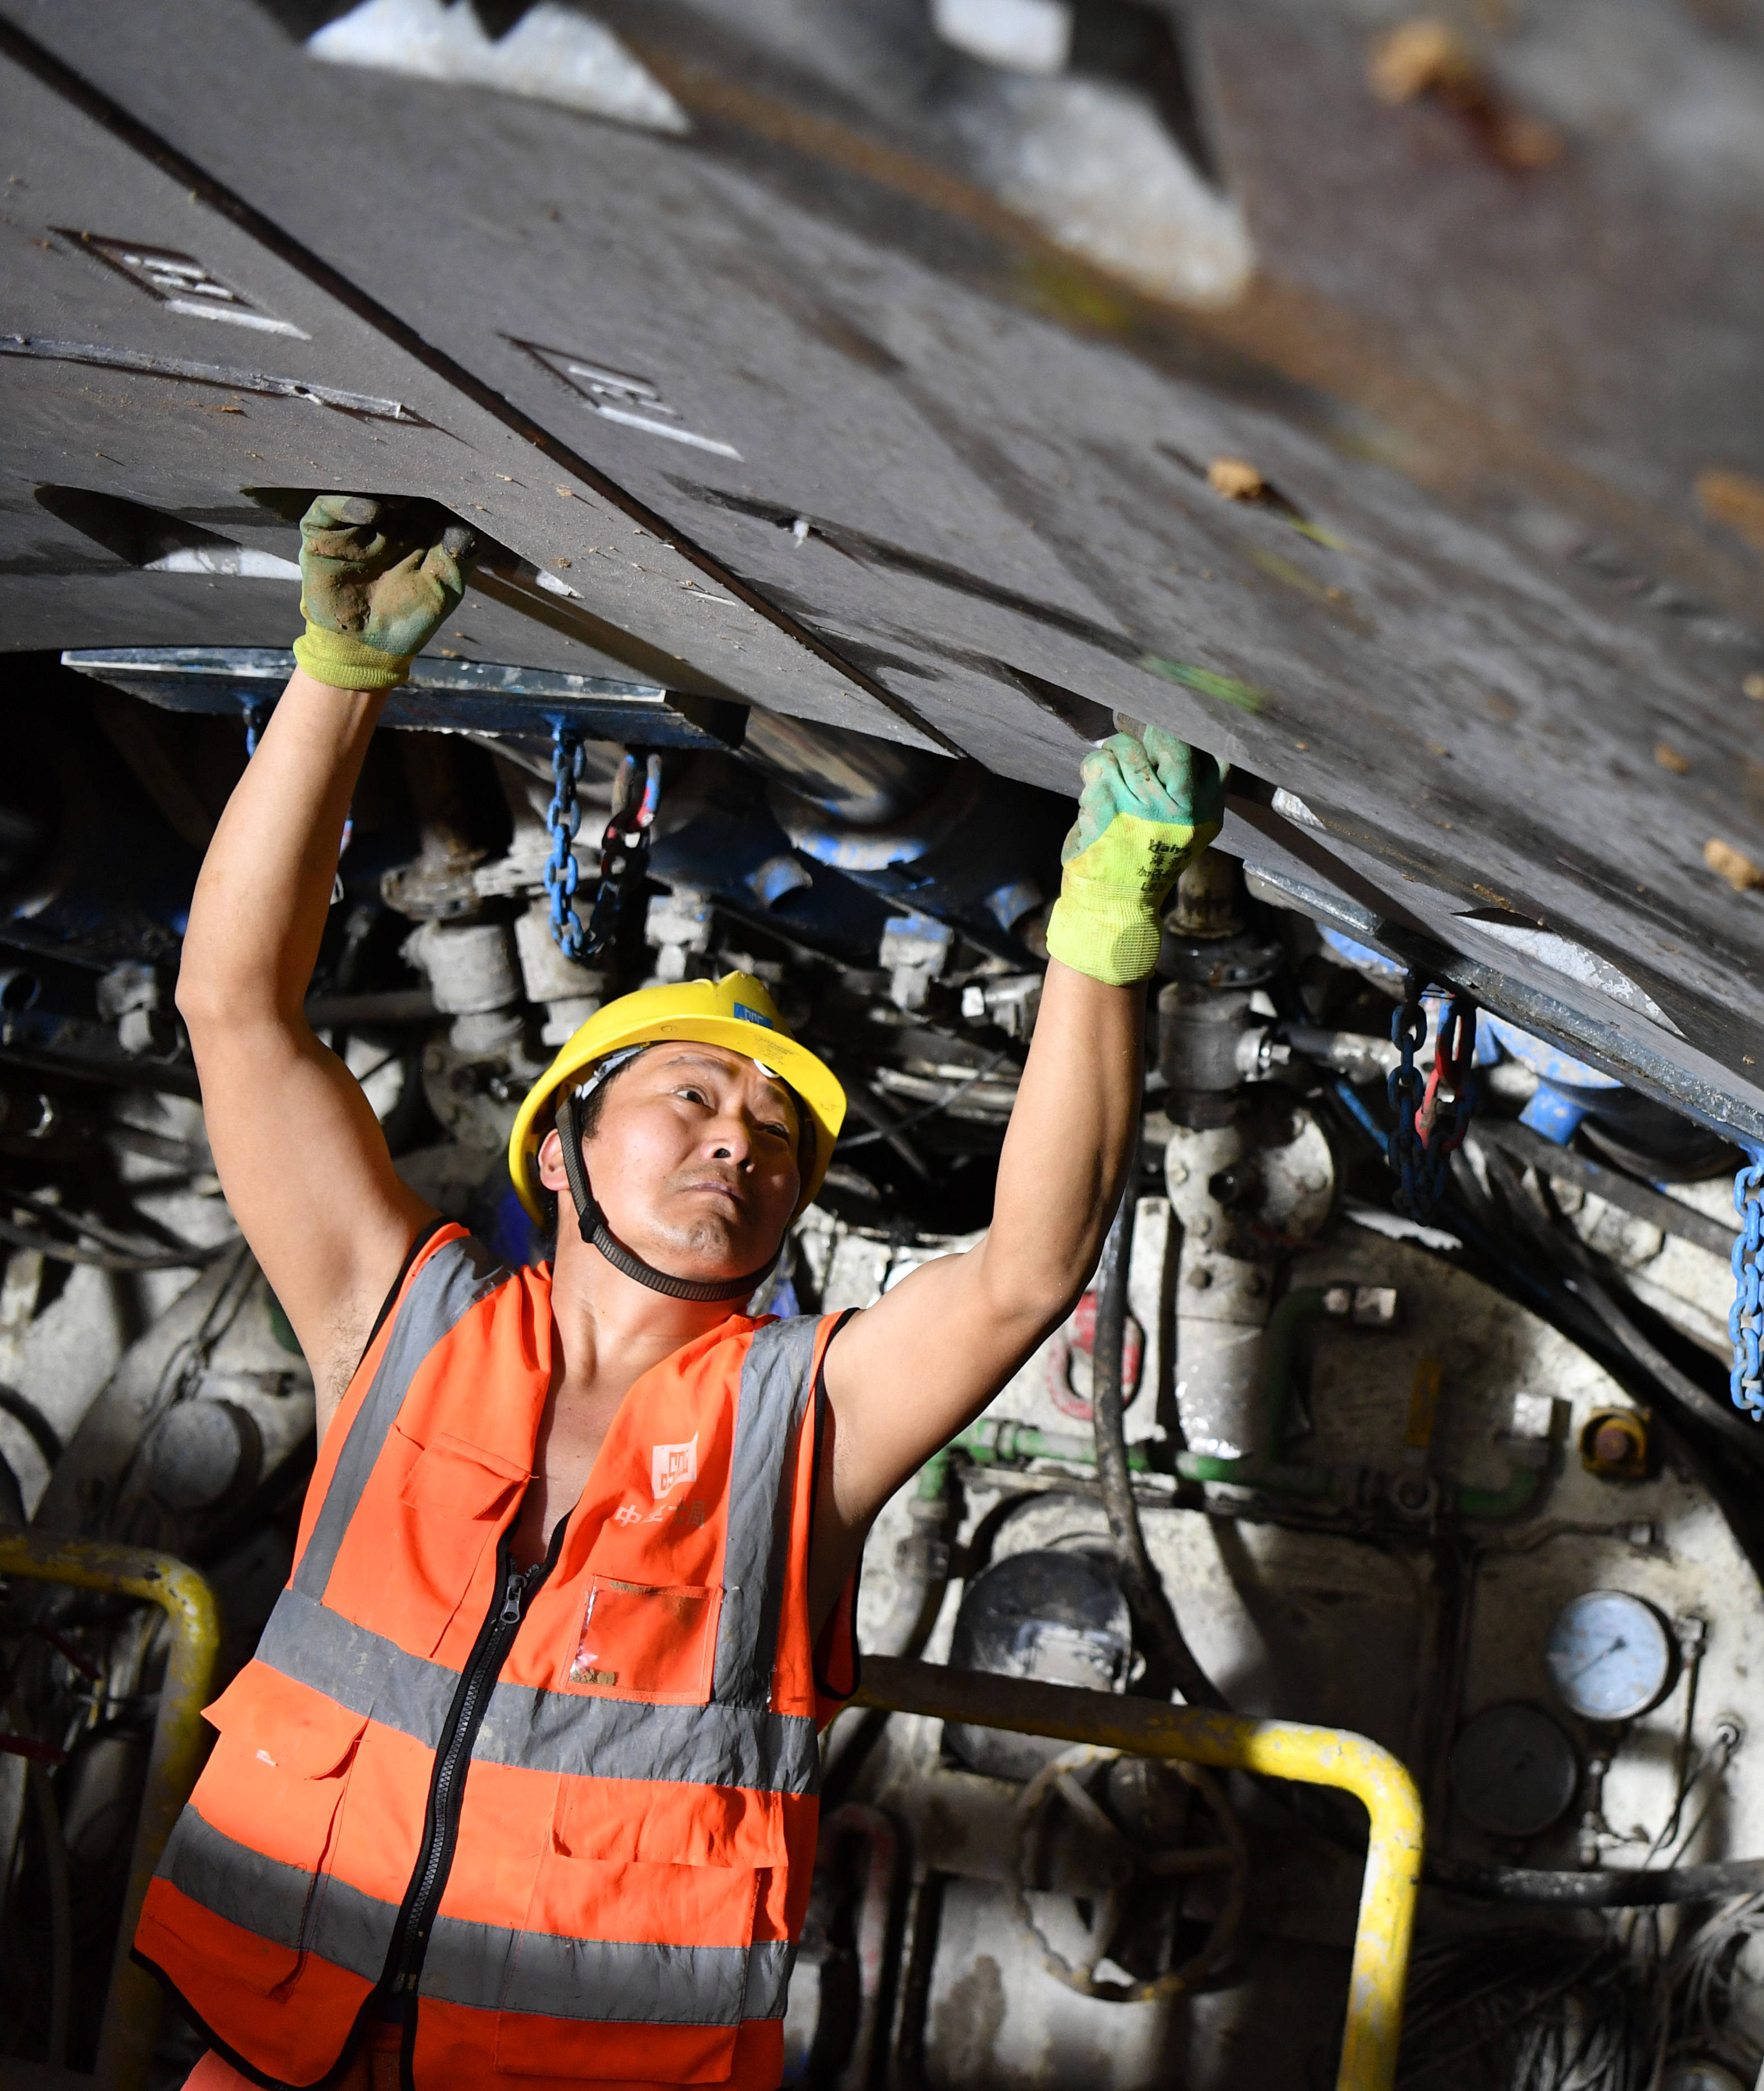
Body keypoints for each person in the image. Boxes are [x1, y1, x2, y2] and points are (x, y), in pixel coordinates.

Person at [134, 495, 1220, 2089]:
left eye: (778, 1127)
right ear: (558, 1154)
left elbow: (1024, 1274)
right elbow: (235, 1006)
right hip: (268, 2048)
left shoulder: (801, 1423)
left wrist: (1103, 943)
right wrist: (338, 679)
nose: (743, 1137)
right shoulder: (403, 1326)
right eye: (696, 1097)